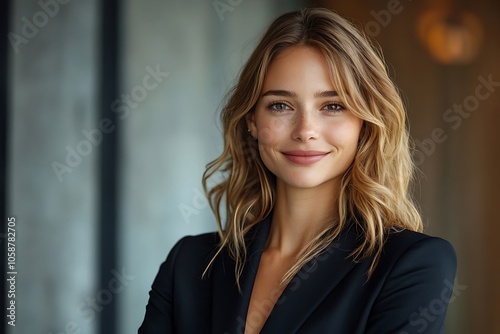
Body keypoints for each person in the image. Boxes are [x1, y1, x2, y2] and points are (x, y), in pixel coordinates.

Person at [139, 7, 456, 334]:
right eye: (280, 105)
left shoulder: (411, 264)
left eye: (333, 106)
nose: (306, 130)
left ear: (365, 122)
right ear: (253, 121)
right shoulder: (190, 264)